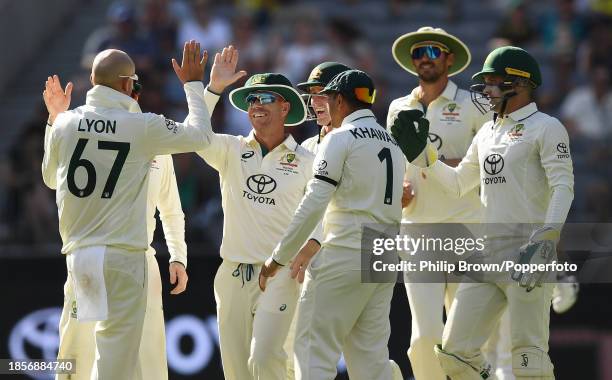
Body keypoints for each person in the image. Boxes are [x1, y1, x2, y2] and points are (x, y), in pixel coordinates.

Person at [390, 46, 574, 380]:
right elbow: (460, 183)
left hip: (527, 251)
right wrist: (424, 154)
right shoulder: (489, 131)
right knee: (454, 354)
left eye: (492, 82)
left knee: (528, 358)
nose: (485, 91)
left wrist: (547, 239)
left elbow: (564, 187)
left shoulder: (547, 127)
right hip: (486, 253)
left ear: (519, 83)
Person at [42, 40, 212, 379]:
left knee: (76, 355)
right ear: (125, 84)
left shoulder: (64, 123)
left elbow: (50, 178)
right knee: (116, 361)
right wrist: (194, 84)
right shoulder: (143, 127)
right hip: (125, 258)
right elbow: (201, 137)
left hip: (81, 258)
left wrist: (54, 117)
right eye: (135, 84)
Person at [260, 69, 404, 380]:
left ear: (339, 100)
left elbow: (314, 202)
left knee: (313, 353)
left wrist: (278, 258)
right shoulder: (392, 143)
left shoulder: (340, 138)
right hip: (384, 254)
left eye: (327, 98)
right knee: (372, 362)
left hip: (346, 251)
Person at [194, 46, 322, 380]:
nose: (256, 105)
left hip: (281, 274)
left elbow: (325, 211)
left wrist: (315, 243)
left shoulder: (307, 161)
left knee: (265, 361)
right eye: (251, 100)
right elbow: (191, 136)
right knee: (236, 372)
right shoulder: (232, 149)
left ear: (285, 106)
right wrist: (213, 90)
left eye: (264, 98)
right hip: (233, 273)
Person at [387, 26, 489, 380]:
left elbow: (493, 162)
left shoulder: (475, 104)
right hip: (417, 231)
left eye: (432, 51)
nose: (424, 58)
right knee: (423, 338)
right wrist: (398, 186)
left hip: (468, 230)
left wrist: (443, 164)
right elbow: (396, 164)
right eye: (418, 53)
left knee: (463, 342)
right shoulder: (399, 107)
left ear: (449, 58)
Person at [298, 61, 352, 154]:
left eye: (323, 92)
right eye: (313, 93)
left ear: (344, 97)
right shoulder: (307, 146)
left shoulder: (357, 142)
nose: (315, 100)